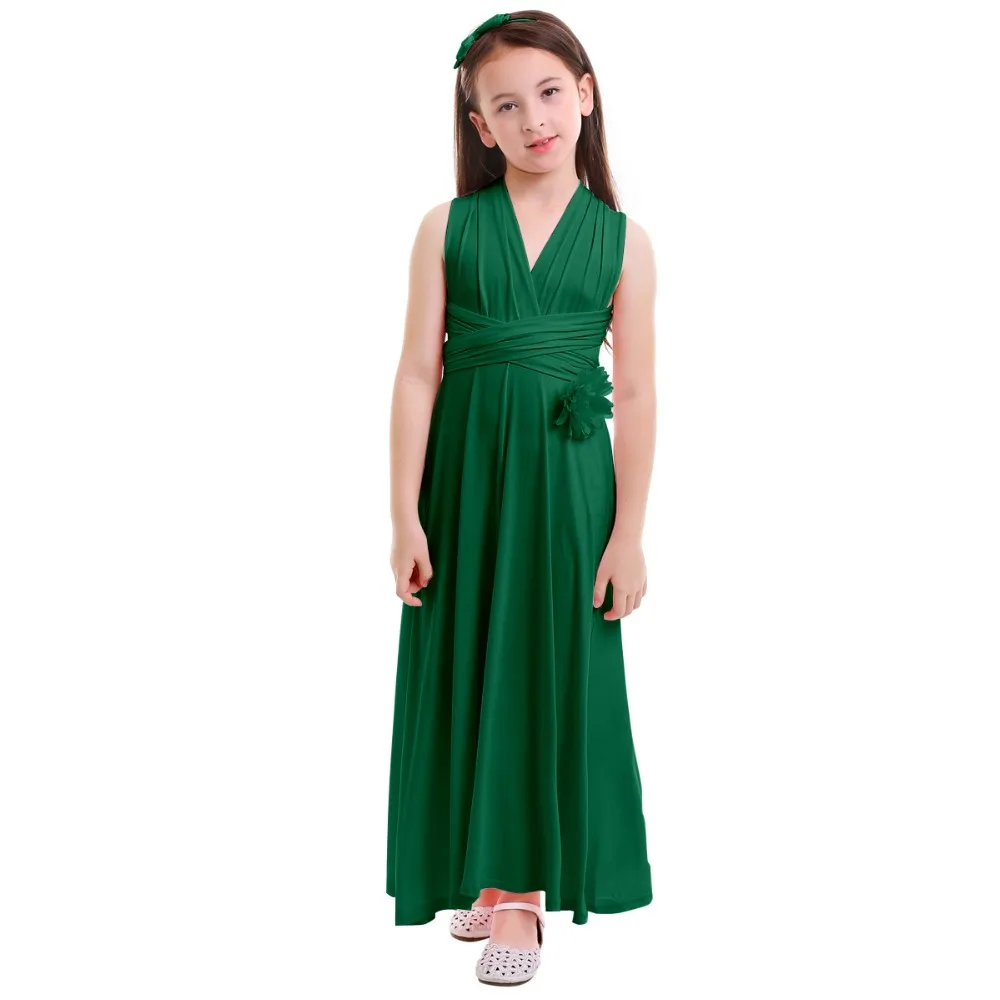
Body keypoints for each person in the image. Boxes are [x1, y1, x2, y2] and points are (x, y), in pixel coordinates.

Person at [385, 10, 657, 986]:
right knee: (468, 663)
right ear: (480, 125)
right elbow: (417, 373)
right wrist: (404, 514)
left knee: (546, 667)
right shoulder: (446, 227)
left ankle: (525, 900)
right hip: (463, 482)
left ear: (584, 93)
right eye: (505, 105)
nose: (532, 118)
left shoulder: (623, 242)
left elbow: (639, 393)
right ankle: (489, 873)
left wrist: (628, 535)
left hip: (567, 486)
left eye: (548, 93)